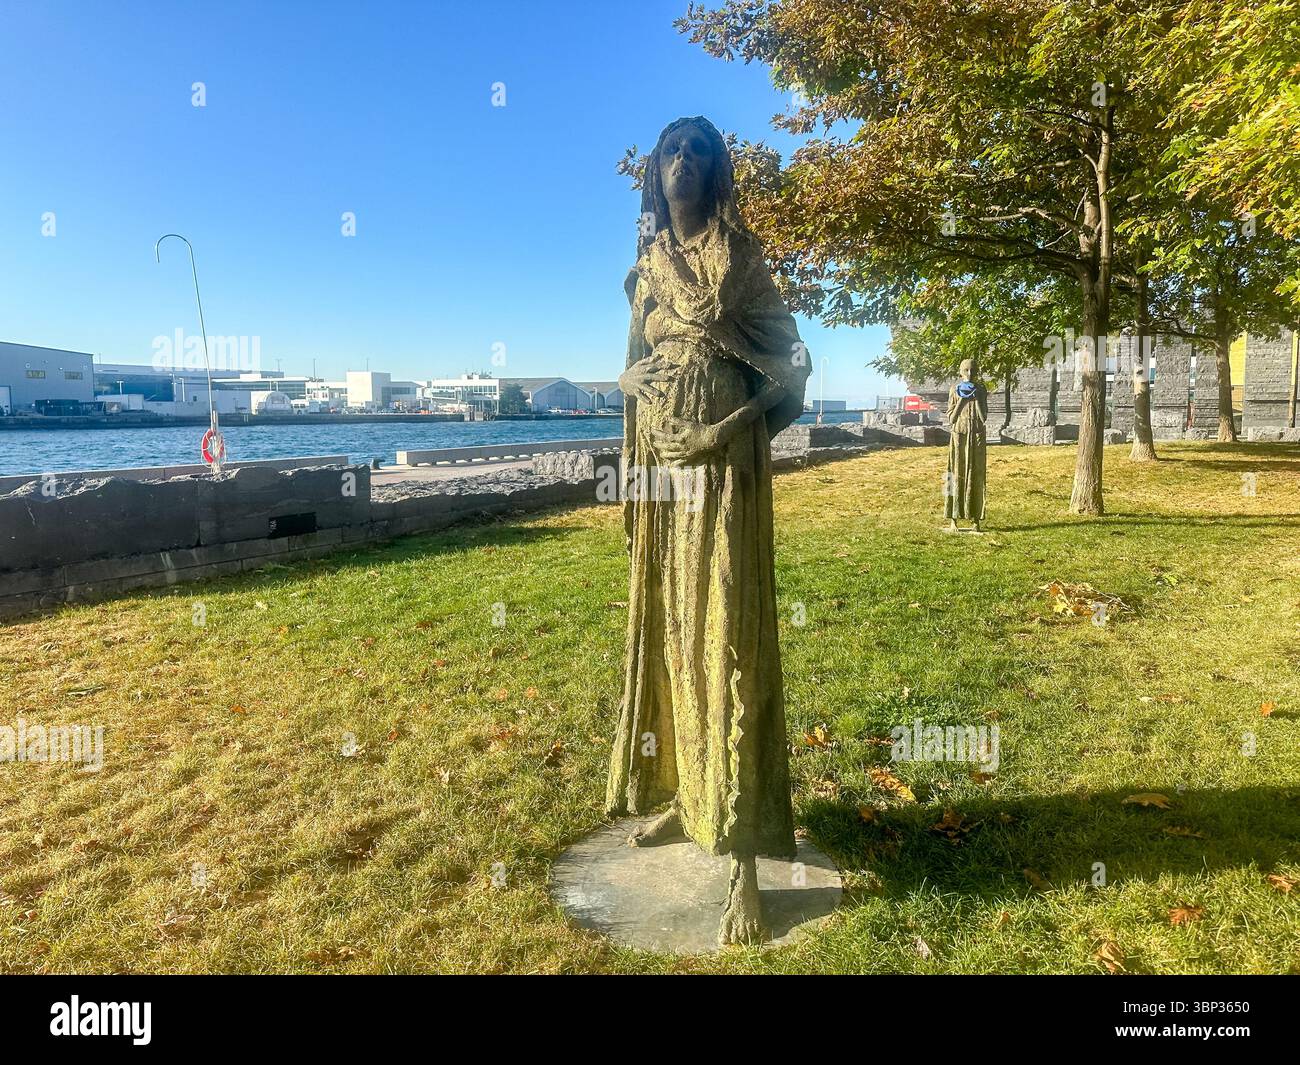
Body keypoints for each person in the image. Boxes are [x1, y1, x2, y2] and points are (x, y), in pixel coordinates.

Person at [604, 116, 810, 945]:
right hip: (663, 474)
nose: (682, 162)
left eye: (698, 152)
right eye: (670, 152)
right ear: (655, 173)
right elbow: (627, 367)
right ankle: (686, 797)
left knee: (726, 637)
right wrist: (631, 378)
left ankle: (744, 855)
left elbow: (794, 364)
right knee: (670, 629)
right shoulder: (646, 266)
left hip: (724, 470)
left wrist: (721, 430)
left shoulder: (744, 260)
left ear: (716, 172)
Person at [944, 358, 987, 532]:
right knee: (955, 473)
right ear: (961, 372)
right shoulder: (954, 389)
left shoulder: (981, 389)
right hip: (959, 436)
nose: (970, 374)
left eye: (973, 370)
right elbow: (951, 418)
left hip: (975, 436)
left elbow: (983, 418)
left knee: (976, 475)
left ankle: (976, 518)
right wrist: (962, 400)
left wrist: (975, 400)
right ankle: (952, 518)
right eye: (967, 370)